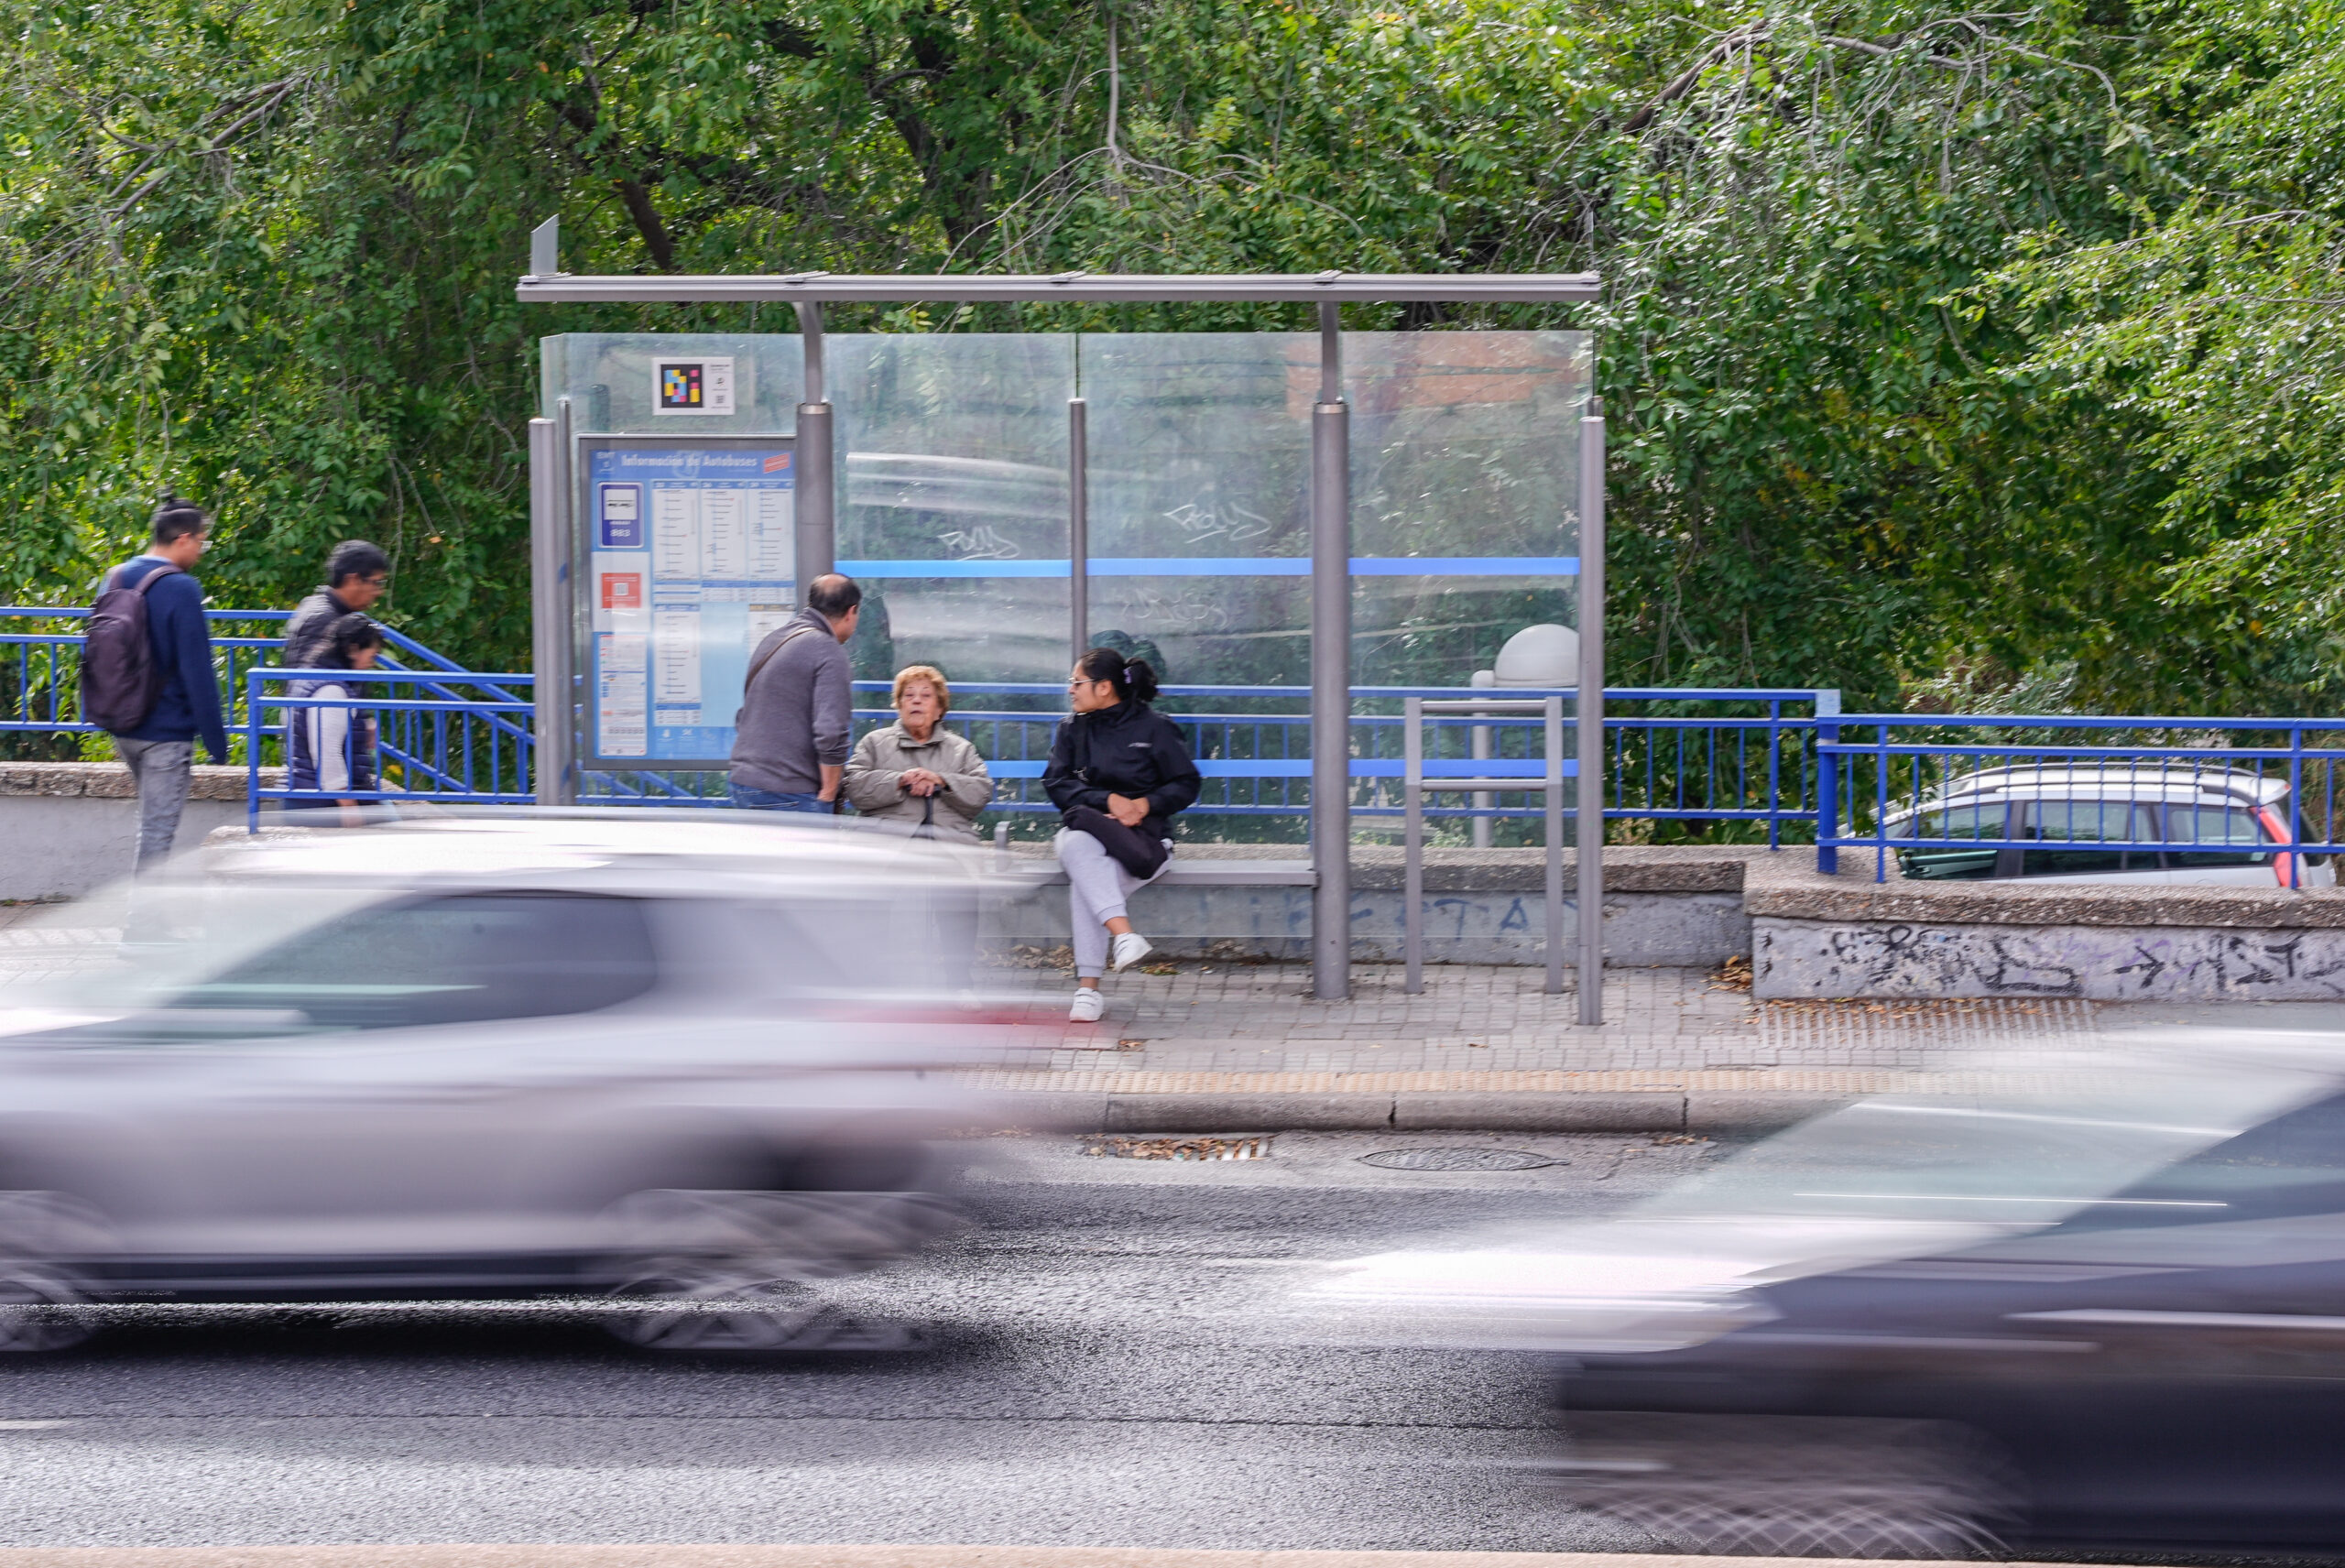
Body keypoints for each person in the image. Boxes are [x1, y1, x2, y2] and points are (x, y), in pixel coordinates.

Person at [1042, 648, 1201, 1022]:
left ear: (1104, 687)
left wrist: (1144, 805)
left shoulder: (1154, 727)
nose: (1071, 690)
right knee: (1077, 845)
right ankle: (1123, 937)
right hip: (1092, 833)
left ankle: (1089, 988)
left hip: (1143, 843)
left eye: (1077, 682)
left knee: (1085, 883)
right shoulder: (1072, 729)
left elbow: (1187, 783)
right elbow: (1056, 783)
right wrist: (1107, 799)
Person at [103, 497, 229, 877]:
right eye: (201, 543)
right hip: (165, 734)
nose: (201, 552)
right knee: (157, 833)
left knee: (150, 828)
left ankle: (149, 923)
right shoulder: (182, 588)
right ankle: (143, 928)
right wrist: (216, 742)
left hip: (123, 725)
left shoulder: (116, 576)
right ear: (184, 539)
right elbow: (197, 670)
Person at [730, 573, 860, 814]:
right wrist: (829, 792)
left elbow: (745, 714)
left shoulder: (773, 640)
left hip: (744, 783)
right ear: (851, 612)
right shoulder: (828, 651)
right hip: (789, 791)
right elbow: (831, 731)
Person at [844, 665, 993, 837]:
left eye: (926, 695)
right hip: (886, 843)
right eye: (909, 695)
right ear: (899, 706)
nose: (916, 700)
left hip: (949, 843)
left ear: (939, 709)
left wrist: (941, 781)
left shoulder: (961, 749)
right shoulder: (874, 742)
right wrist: (900, 780)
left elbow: (981, 793)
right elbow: (854, 787)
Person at [285, 614, 383, 827]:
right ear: (353, 649)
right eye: (372, 655)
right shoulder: (331, 691)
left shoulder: (307, 678)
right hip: (324, 805)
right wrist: (349, 808)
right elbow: (327, 754)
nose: (372, 663)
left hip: (307, 798)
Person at [283, 540, 391, 669]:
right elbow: (312, 678)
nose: (380, 592)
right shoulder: (323, 619)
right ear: (354, 580)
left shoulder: (331, 612)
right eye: (377, 583)